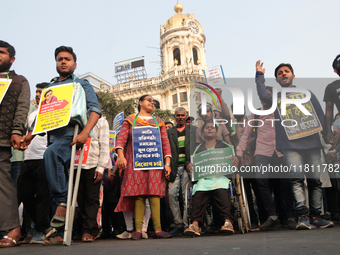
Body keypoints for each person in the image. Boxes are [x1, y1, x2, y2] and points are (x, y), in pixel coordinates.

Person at [23, 46, 101, 244]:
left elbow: (95, 110)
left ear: (74, 64)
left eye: (67, 59)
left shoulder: (82, 84)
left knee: (51, 155)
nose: (63, 62)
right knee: (49, 182)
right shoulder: (50, 88)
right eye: (59, 59)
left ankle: (62, 202)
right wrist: (30, 136)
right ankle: (57, 233)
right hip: (53, 137)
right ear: (56, 63)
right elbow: (42, 116)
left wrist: (85, 133)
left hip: (72, 136)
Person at [256, 60, 334, 229]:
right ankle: (302, 216)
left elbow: (319, 114)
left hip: (312, 143)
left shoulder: (307, 93)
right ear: (276, 80)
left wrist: (326, 133)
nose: (283, 74)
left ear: (293, 75)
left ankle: (316, 215)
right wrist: (259, 76)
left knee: (315, 181)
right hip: (290, 146)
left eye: (286, 71)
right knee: (296, 180)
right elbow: (263, 96)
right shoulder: (276, 98)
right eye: (280, 73)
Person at [236, 87, 296, 230]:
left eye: (269, 96)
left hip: (280, 151)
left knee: (285, 184)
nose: (265, 99)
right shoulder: (256, 114)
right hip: (262, 152)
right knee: (261, 181)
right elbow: (246, 135)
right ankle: (272, 215)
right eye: (263, 96)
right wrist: (239, 153)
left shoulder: (282, 111)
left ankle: (289, 216)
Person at [115, 95, 172, 239]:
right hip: (135, 163)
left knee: (154, 194)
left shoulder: (158, 122)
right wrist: (121, 156)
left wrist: (167, 163)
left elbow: (165, 143)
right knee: (138, 195)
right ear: (140, 102)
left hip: (155, 162)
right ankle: (138, 230)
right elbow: (121, 139)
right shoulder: (130, 120)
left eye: (153, 101)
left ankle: (157, 230)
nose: (152, 102)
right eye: (148, 100)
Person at [183, 120, 239, 237]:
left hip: (220, 179)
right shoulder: (197, 149)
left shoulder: (225, 146)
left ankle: (228, 222)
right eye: (207, 127)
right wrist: (188, 164)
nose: (209, 129)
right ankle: (195, 224)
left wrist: (236, 159)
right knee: (198, 193)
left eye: (212, 127)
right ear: (202, 132)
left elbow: (234, 158)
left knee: (222, 192)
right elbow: (189, 161)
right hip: (204, 180)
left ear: (216, 131)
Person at [0, 40, 30, 247]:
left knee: (3, 183)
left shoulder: (19, 81)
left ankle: (13, 227)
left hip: (1, 138)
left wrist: (17, 131)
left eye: (1, 52)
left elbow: (21, 108)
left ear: (11, 59)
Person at [17, 82, 55, 244]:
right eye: (37, 92)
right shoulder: (31, 114)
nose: (38, 95)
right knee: (23, 193)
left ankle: (41, 229)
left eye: (42, 92)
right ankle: (43, 227)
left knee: (42, 196)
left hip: (43, 157)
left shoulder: (54, 111)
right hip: (27, 157)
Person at [77, 116, 110, 242]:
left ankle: (87, 230)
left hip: (92, 164)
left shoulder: (101, 121)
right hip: (76, 165)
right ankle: (94, 228)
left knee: (91, 199)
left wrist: (101, 167)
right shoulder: (76, 119)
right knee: (80, 199)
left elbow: (105, 145)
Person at [167, 107, 196, 236]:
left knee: (186, 197)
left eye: (182, 115)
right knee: (172, 195)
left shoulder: (194, 131)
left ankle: (186, 224)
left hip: (187, 167)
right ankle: (178, 223)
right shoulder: (169, 132)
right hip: (173, 168)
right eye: (178, 115)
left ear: (186, 116)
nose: (180, 117)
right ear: (175, 117)